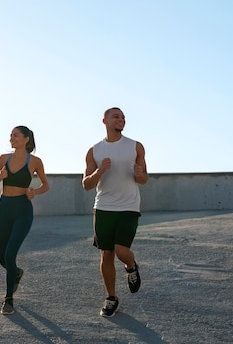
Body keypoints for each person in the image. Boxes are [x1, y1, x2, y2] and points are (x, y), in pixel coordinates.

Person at [82, 107, 148, 317]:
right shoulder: (95, 150)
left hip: (129, 206)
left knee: (121, 251)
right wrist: (99, 171)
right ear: (105, 121)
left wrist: (140, 174)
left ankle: (131, 265)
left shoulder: (135, 146)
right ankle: (111, 297)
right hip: (103, 208)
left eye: (123, 117)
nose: (121, 119)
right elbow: (86, 184)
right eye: (116, 116)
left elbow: (144, 179)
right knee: (106, 254)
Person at [0, 125, 49, 315]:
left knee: (10, 255)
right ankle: (16, 273)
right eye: (11, 136)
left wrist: (35, 192)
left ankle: (8, 300)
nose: (11, 138)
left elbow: (45, 185)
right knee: (2, 258)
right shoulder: (2, 158)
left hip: (23, 209)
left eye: (15, 135)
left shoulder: (35, 161)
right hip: (5, 207)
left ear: (26, 139)